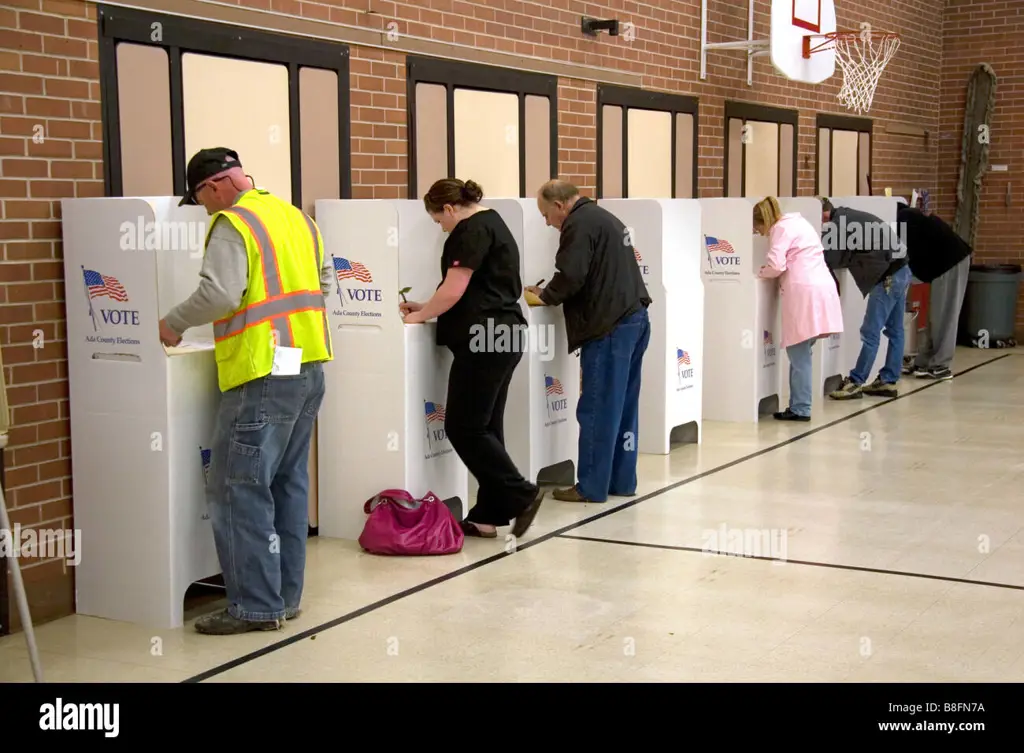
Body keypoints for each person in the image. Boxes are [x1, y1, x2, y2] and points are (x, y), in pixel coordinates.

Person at [158, 147, 333, 635]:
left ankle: (255, 606)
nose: (205, 210)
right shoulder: (295, 217)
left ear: (213, 186)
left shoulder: (234, 223)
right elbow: (326, 283)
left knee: (237, 487)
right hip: (308, 365)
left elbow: (219, 294)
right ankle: (284, 598)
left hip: (261, 374)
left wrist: (172, 323)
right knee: (288, 484)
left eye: (201, 200)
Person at [400, 178, 544, 539]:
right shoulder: (494, 222)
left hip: (484, 338)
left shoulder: (469, 230)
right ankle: (488, 515)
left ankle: (521, 493)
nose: (441, 226)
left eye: (438, 220)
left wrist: (419, 316)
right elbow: (474, 288)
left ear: (449, 209)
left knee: (463, 427)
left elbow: (454, 288)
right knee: (487, 427)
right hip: (505, 333)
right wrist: (426, 307)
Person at [526, 180, 651, 503]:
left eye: (545, 214)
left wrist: (545, 296)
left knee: (597, 407)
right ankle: (622, 481)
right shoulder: (604, 217)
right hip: (634, 318)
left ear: (559, 206)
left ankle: (591, 487)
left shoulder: (578, 224)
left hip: (609, 327)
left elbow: (572, 274)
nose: (547, 222)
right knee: (623, 406)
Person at [754, 197, 843, 422]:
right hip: (822, 288)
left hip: (803, 292)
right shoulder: (799, 223)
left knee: (799, 355)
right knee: (802, 353)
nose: (758, 232)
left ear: (763, 221)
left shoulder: (780, 229)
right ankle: (798, 404)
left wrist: (760, 273)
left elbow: (776, 265)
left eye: (757, 227)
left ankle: (801, 408)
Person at [820, 197, 911, 400]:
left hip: (887, 278)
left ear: (823, 215)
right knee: (895, 331)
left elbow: (831, 258)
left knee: (870, 332)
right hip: (902, 271)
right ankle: (888, 381)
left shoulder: (838, 224)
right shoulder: (849, 215)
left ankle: (855, 381)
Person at [896, 201, 973, 381]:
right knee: (935, 315)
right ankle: (924, 360)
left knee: (945, 315)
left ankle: (941, 365)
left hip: (950, 262)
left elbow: (904, 257)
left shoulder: (903, 221)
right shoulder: (908, 216)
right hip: (943, 263)